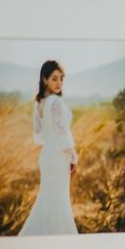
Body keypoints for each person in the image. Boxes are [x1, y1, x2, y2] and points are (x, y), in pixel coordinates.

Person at [19, 60, 79, 236]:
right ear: (44, 79)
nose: (59, 83)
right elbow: (62, 133)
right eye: (54, 78)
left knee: (46, 201)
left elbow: (40, 136)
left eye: (61, 79)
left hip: (46, 156)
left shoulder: (39, 103)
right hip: (59, 156)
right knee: (59, 202)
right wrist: (73, 157)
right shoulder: (55, 101)